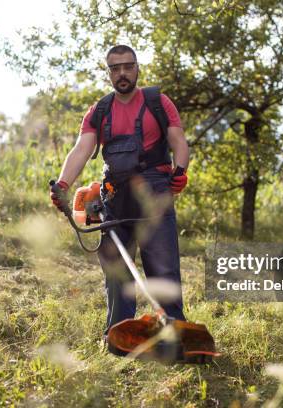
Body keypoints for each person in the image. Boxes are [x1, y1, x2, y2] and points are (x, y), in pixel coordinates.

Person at [50, 45, 190, 347]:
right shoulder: (99, 111)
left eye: (127, 66)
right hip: (114, 195)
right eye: (115, 68)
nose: (122, 73)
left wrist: (180, 171)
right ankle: (120, 337)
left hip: (154, 191)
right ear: (109, 73)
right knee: (117, 273)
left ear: (137, 68)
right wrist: (62, 185)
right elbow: (81, 150)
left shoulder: (158, 102)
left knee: (163, 270)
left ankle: (174, 337)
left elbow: (179, 141)